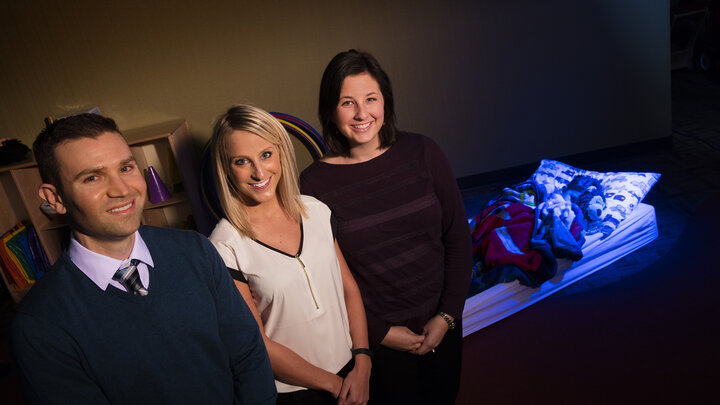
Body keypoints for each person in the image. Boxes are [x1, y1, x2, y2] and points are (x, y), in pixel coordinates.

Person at [11, 113, 277, 405]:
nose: (122, 190)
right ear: (55, 198)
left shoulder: (195, 251)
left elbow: (248, 354)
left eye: (126, 168)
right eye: (92, 177)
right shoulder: (40, 324)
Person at [299, 50, 472, 405]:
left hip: (443, 326)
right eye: (348, 102)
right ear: (331, 110)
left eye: (371, 99)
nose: (362, 114)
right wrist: (380, 333)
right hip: (378, 343)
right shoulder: (314, 183)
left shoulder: (424, 151)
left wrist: (447, 315)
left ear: (385, 102)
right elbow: (325, 276)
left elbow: (457, 236)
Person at [207, 104, 371, 405]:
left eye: (266, 155)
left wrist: (363, 361)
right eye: (242, 161)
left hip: (355, 372)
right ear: (226, 169)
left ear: (281, 152)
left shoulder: (316, 211)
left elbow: (349, 290)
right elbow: (257, 342)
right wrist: (336, 386)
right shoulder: (224, 245)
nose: (259, 172)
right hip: (296, 393)